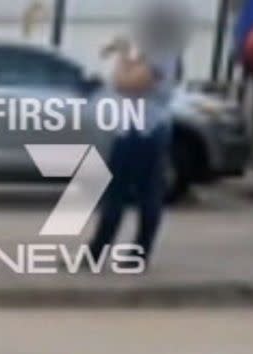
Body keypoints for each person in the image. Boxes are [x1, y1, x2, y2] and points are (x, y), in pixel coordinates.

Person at [88, 1, 193, 270]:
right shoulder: (160, 51)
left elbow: (128, 83)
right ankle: (133, 255)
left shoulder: (162, 54)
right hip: (144, 128)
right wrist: (127, 55)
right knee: (145, 193)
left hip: (142, 130)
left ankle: (101, 254)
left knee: (120, 193)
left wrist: (122, 59)